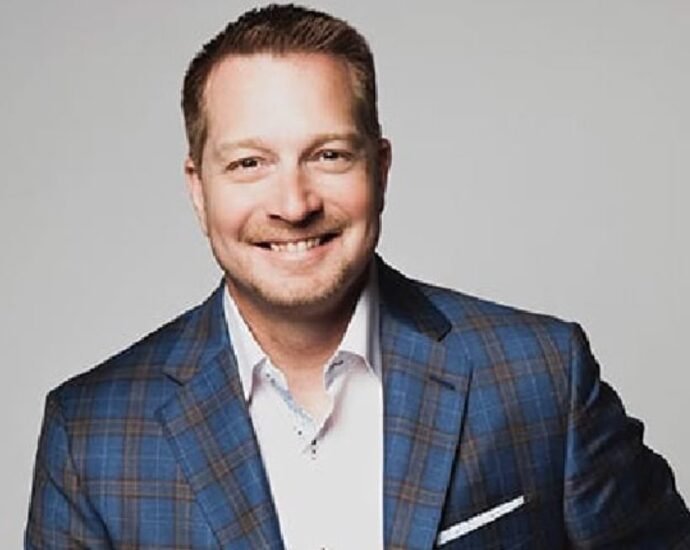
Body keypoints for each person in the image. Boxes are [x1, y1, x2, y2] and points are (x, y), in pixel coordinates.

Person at [25, 4, 690, 549]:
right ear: (198, 190)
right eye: (250, 163)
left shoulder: (541, 378)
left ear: (381, 168)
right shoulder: (92, 438)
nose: (293, 204)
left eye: (329, 155)